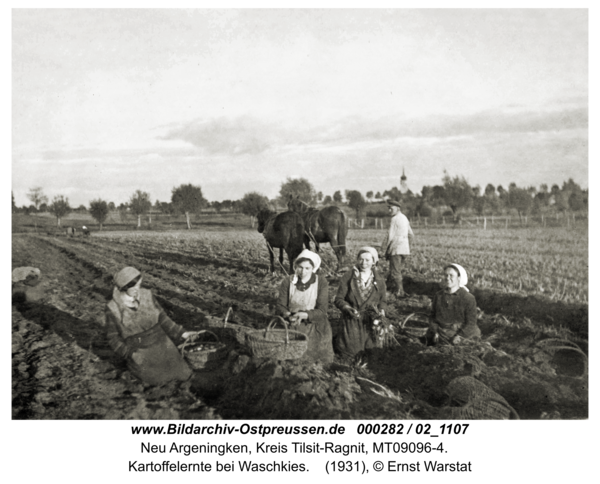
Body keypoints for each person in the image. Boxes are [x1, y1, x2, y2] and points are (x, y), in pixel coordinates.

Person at [105, 266, 198, 385]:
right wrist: (129, 353)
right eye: (133, 286)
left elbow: (163, 318)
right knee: (158, 380)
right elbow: (112, 338)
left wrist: (182, 333)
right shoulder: (113, 308)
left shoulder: (147, 295)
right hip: (139, 349)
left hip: (161, 342)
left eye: (139, 285)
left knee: (184, 374)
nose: (137, 289)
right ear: (124, 287)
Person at [275, 249, 334, 364]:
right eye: (300, 267)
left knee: (313, 358)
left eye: (307, 268)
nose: (303, 271)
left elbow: (322, 310)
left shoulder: (321, 282)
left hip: (314, 324)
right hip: (292, 323)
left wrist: (305, 315)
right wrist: (287, 315)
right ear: (295, 266)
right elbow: (280, 305)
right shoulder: (288, 281)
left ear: (313, 268)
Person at [333, 247, 387, 358]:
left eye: (367, 260)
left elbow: (383, 300)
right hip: (352, 319)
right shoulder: (348, 277)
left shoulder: (379, 280)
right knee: (350, 352)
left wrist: (381, 311)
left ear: (374, 262)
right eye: (361, 259)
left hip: (371, 320)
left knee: (373, 351)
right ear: (357, 260)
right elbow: (338, 299)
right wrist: (347, 308)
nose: (364, 263)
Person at [426, 263, 481, 345]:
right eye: (446, 275)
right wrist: (435, 331)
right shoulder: (439, 295)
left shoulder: (468, 298)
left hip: (461, 333)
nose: (447, 278)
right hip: (442, 332)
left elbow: (471, 323)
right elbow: (432, 316)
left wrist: (459, 336)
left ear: (459, 278)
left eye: (451, 275)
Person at [380, 200, 414, 297]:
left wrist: (383, 250)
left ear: (398, 209)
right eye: (389, 208)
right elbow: (411, 235)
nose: (389, 210)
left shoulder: (394, 219)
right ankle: (389, 288)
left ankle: (400, 292)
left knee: (395, 272)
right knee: (396, 270)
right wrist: (406, 246)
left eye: (391, 208)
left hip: (396, 249)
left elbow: (389, 236)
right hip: (404, 249)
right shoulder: (404, 218)